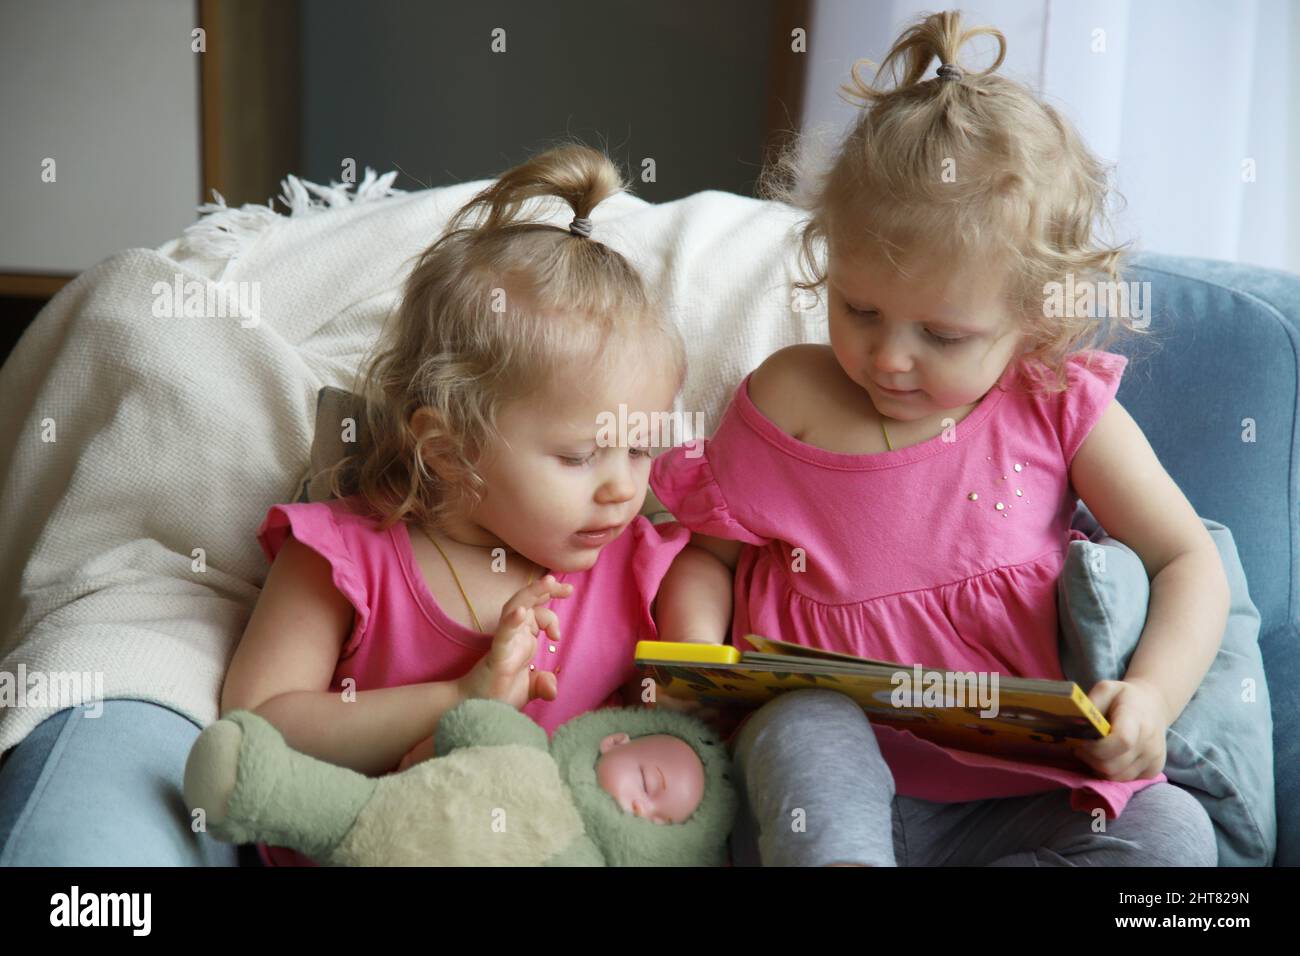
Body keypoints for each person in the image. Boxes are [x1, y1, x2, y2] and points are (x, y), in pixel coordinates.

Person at [649, 11, 1224, 867]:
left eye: (944, 336)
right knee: (810, 725)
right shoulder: (786, 400)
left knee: (1174, 836)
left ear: (1034, 318)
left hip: (1021, 787)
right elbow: (708, 559)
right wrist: (696, 662)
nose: (888, 357)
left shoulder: (1057, 404)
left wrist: (1150, 698)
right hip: (828, 779)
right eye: (860, 309)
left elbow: (1189, 560)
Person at [214, 143, 692, 865]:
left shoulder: (638, 570)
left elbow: (668, 727)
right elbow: (255, 725)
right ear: (446, 448)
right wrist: (456, 699)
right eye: (578, 456)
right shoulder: (346, 559)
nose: (623, 488)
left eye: (640, 447)